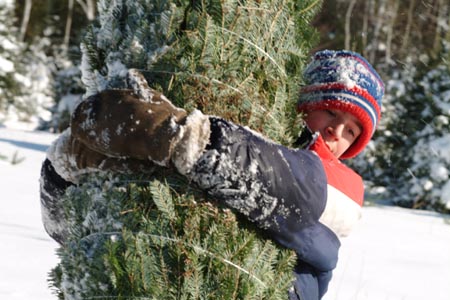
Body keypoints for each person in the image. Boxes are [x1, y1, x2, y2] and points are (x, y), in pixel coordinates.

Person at [40, 50, 384, 300]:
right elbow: (65, 234)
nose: (337, 131)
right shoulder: (263, 139)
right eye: (329, 111)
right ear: (303, 103)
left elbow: (289, 184)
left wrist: (176, 135)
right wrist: (64, 167)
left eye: (353, 131)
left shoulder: (341, 188)